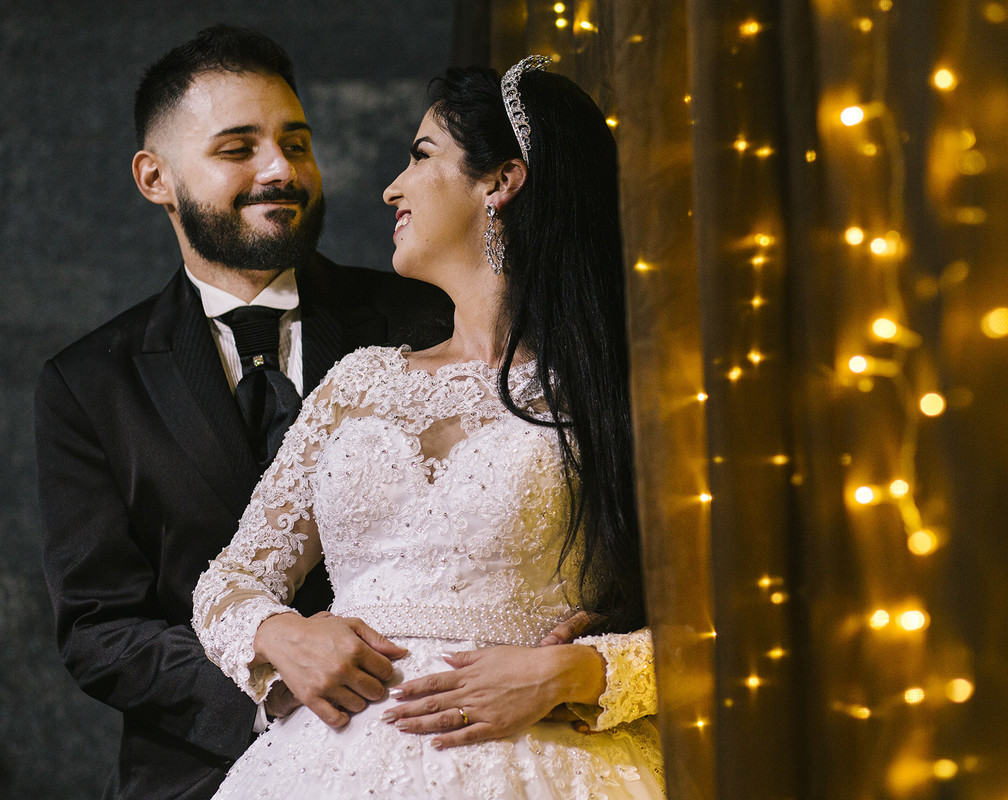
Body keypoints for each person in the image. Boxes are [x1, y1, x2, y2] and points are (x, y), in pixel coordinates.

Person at [191, 57, 665, 798]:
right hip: (324, 770)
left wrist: (577, 671)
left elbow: (722, 623)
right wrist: (284, 634)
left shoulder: (614, 389)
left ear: (501, 181)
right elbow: (231, 579)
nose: (392, 188)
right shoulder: (357, 384)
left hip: (541, 764)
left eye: (420, 155)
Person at [35, 25, 454, 800]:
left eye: (296, 144)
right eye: (238, 149)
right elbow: (101, 629)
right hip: (199, 775)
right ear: (155, 178)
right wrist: (274, 681)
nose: (280, 170)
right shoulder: (87, 384)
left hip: (425, 747)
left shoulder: (426, 319)